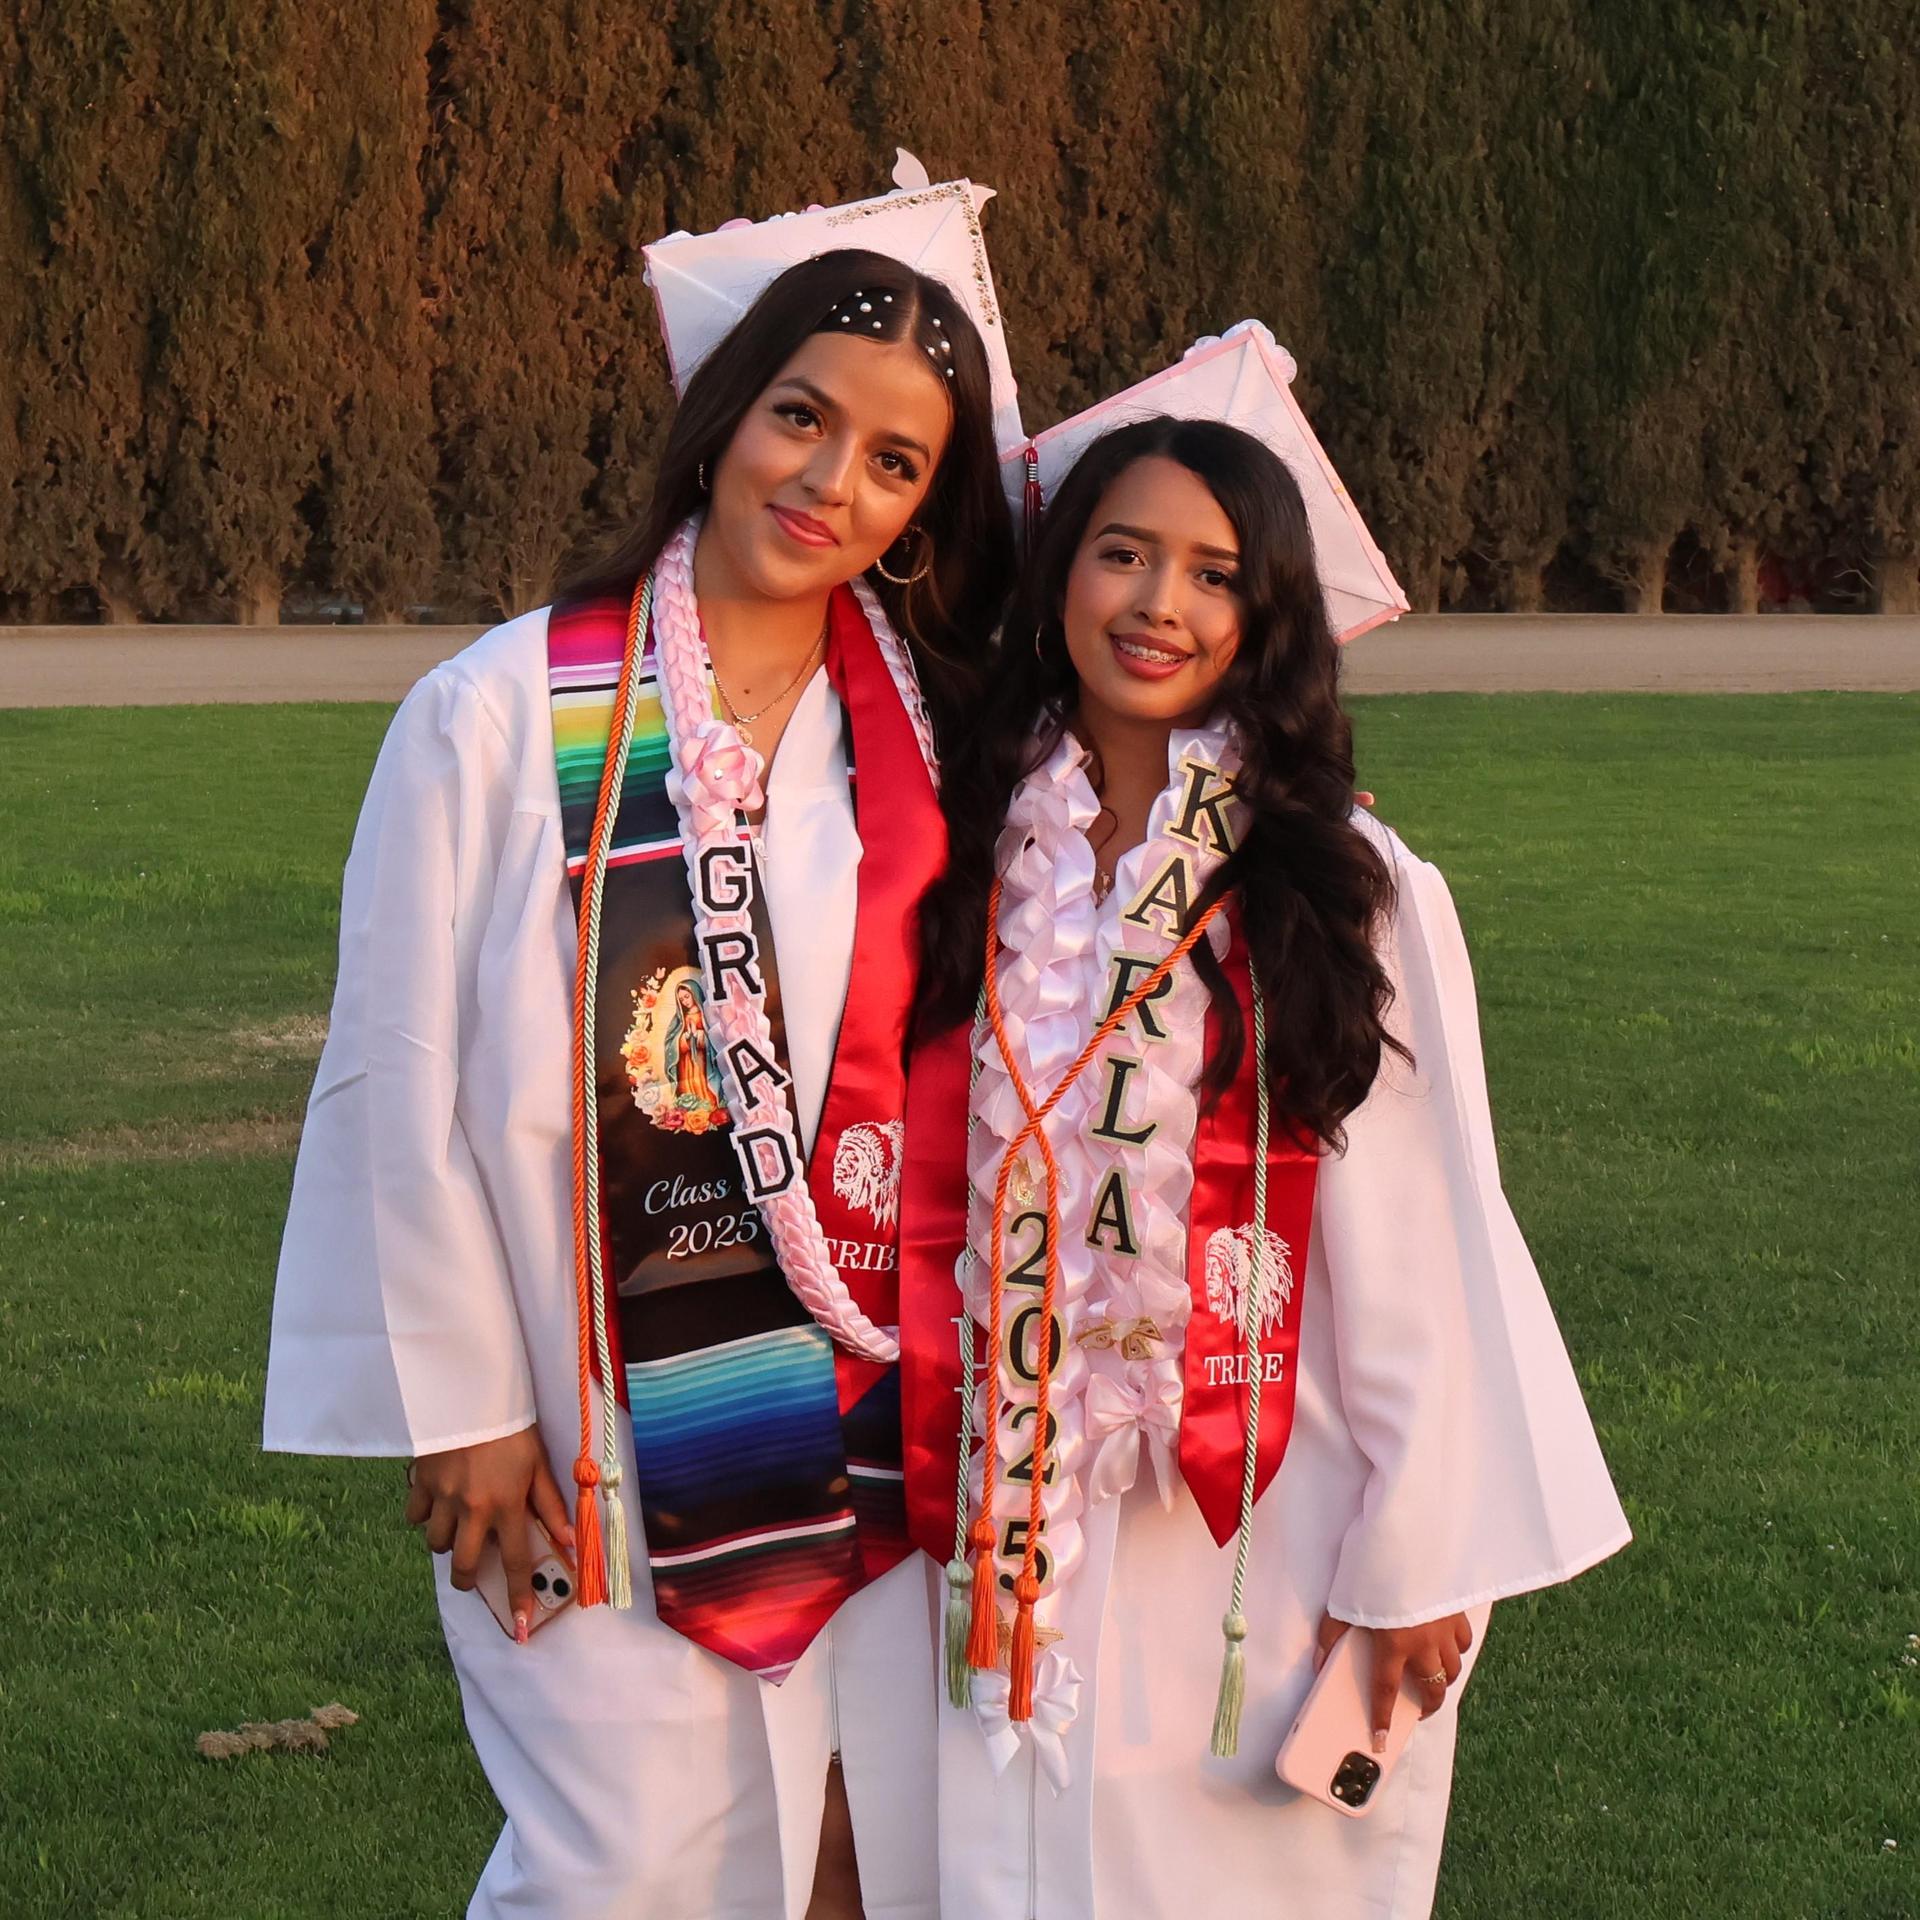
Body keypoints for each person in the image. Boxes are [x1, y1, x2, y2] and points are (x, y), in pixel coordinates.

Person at [264, 221, 1019, 1920]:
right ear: (728, 409)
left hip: (866, 1406)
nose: (831, 482)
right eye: (803, 418)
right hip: (589, 1399)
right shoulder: (499, 713)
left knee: (863, 1852)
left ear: (924, 513)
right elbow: (397, 1074)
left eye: (894, 462)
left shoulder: (925, 746)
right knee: (624, 1867)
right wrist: (463, 1406)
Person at [900, 410, 1630, 1918]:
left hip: (1253, 1499)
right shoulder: (965, 851)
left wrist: (1422, 1552)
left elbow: (1431, 1232)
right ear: (1057, 578)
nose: (1160, 605)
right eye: (1122, 554)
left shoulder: (1341, 886)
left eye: (1214, 574)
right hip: (999, 1487)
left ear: (1268, 619)